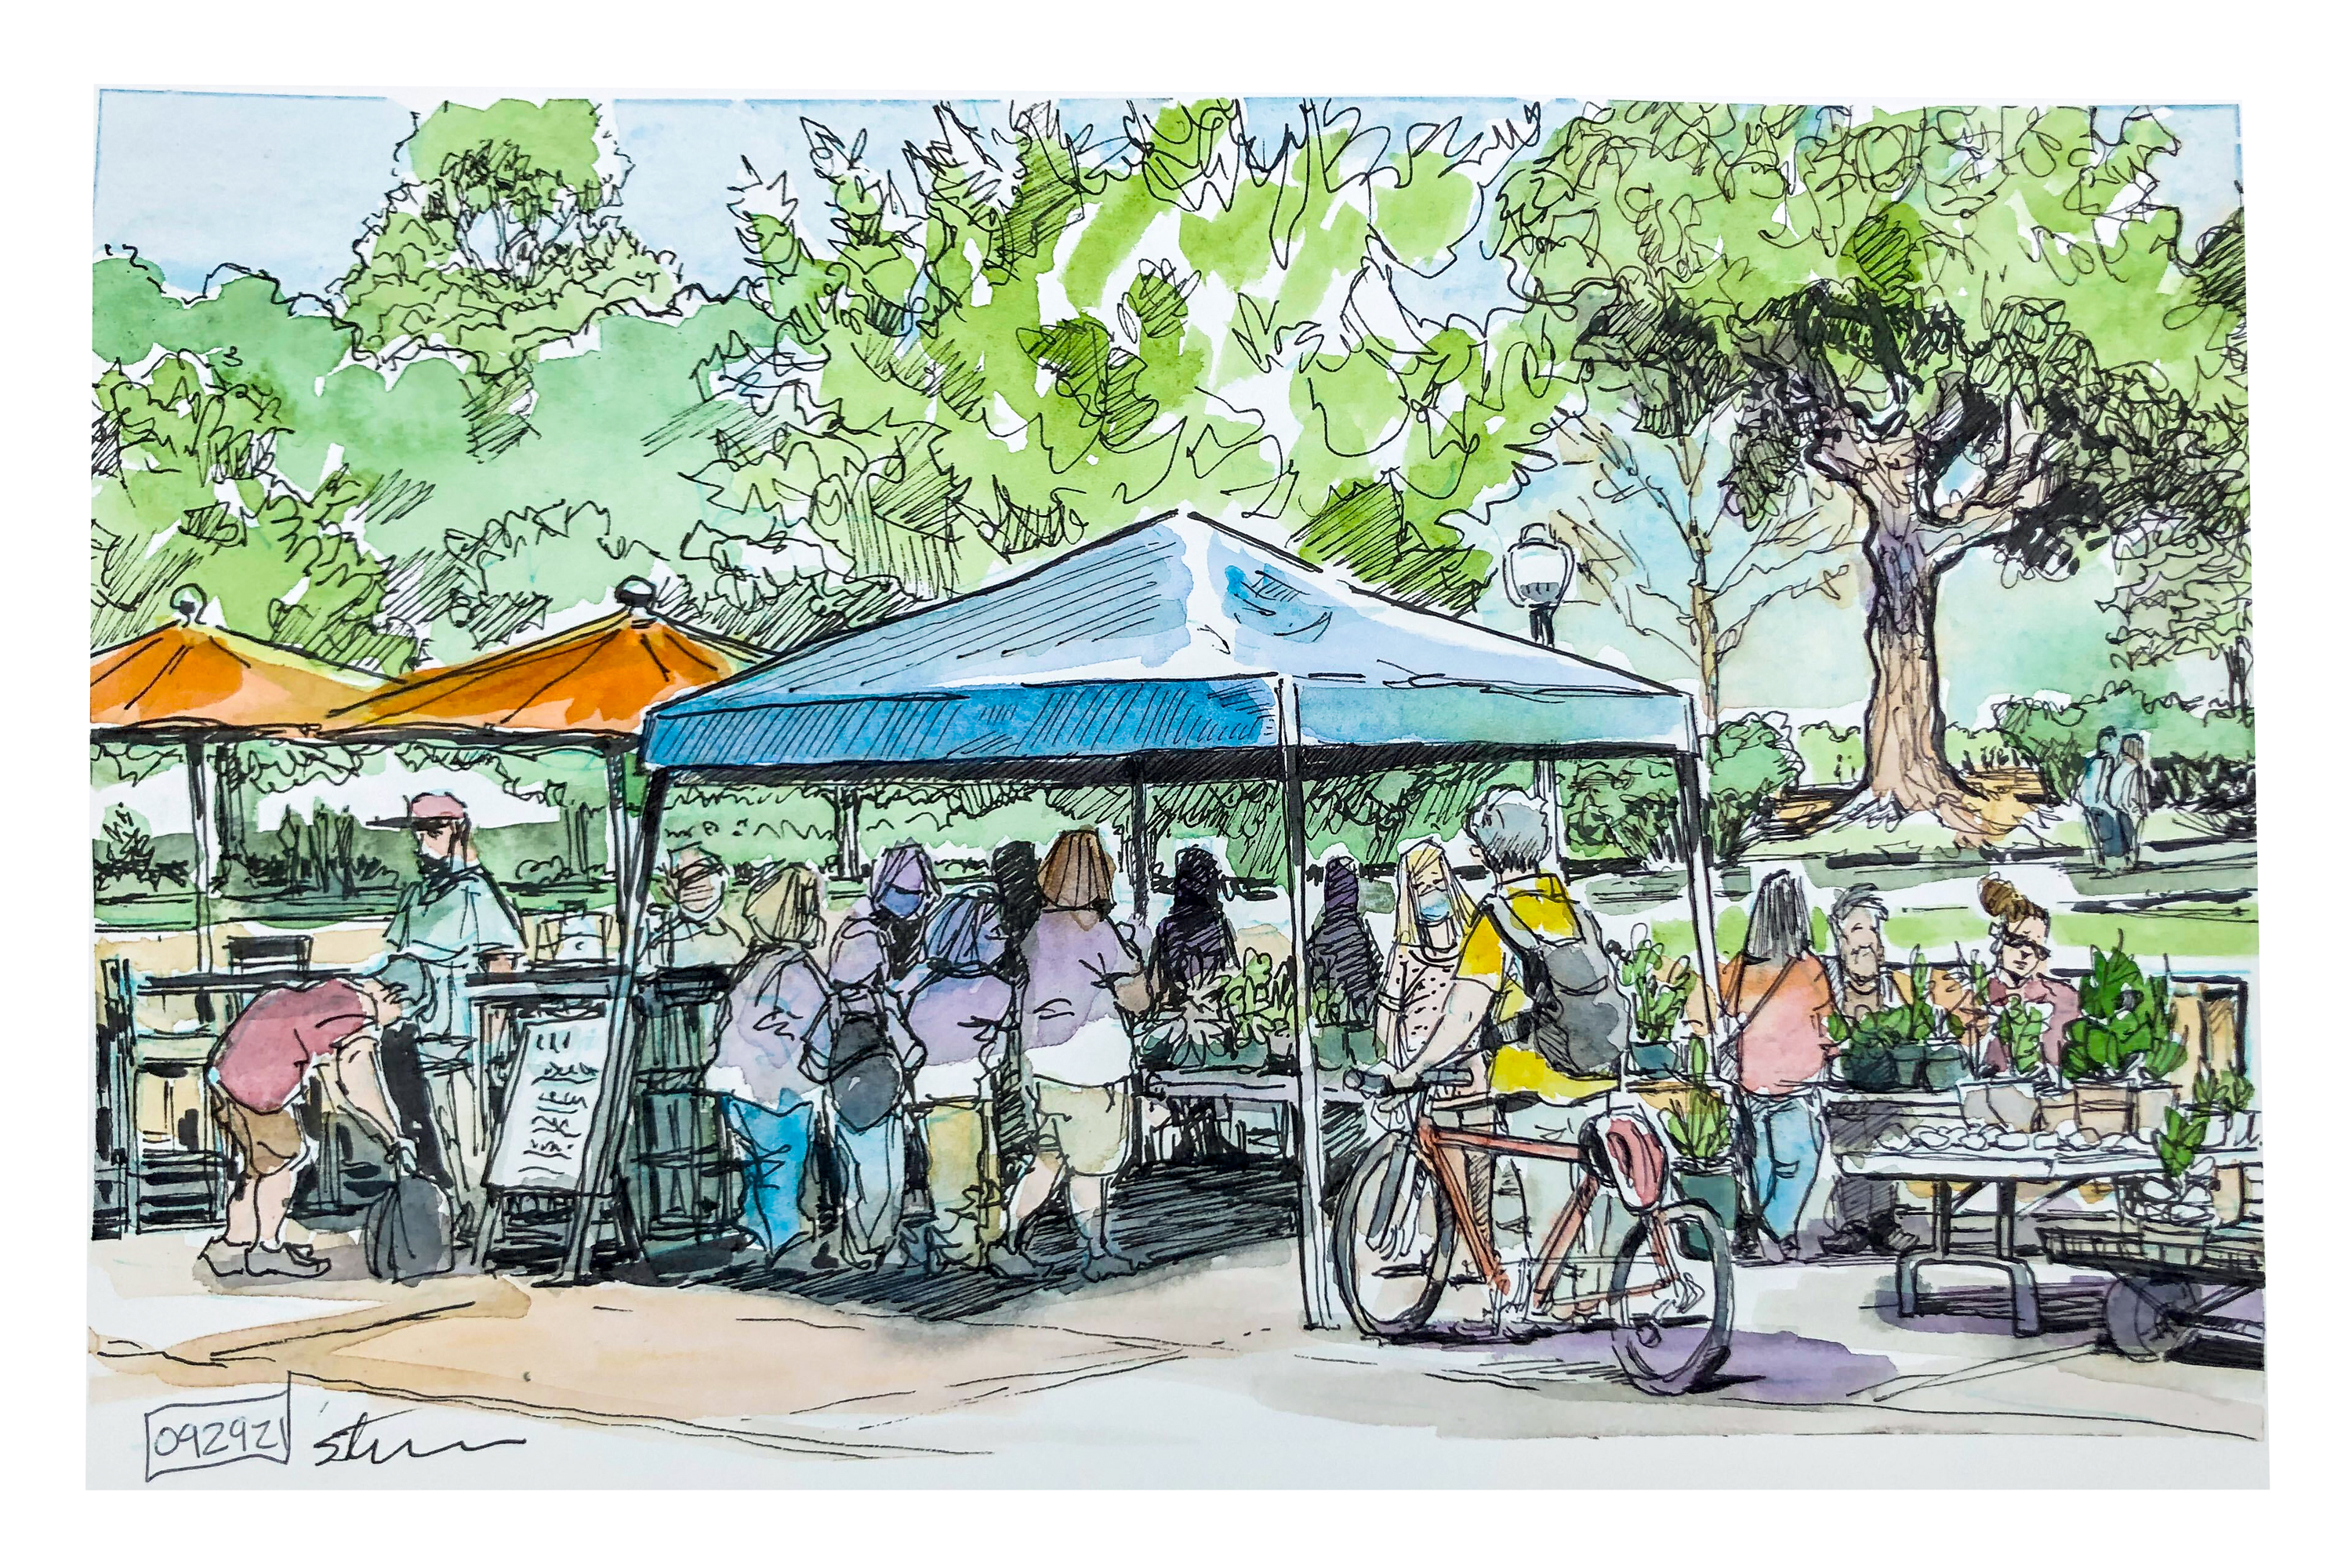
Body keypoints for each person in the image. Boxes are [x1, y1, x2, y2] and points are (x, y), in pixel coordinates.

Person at [1383, 789, 1624, 1327]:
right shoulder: (1573, 909)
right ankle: (1589, 1297)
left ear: (1488, 853)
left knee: (1542, 1201)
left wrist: (1416, 1067)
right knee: (1586, 1194)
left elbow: (1463, 1014)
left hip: (1531, 1077)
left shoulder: (1495, 919)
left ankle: (1535, 1308)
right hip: (1597, 1070)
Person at [201, 959, 427, 1279]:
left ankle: (231, 1246)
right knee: (285, 1161)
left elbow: (331, 1072)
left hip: (224, 1075)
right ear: (393, 996)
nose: (400, 1021)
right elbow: (360, 1085)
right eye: (405, 1010)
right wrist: (393, 1135)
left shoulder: (339, 989)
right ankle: (267, 1251)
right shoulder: (357, 1017)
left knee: (259, 1165)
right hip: (257, 1088)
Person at [997, 827, 1152, 1282]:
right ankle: (1097, 1250)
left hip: (1041, 1066)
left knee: (1047, 1161)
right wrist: (1139, 966)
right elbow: (1138, 998)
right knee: (1091, 1169)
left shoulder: (1034, 930)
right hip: (1092, 1066)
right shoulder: (1098, 931)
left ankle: (1007, 1237)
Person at [376, 793, 524, 1236]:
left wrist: (495, 1038)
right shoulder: (417, 894)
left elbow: (502, 963)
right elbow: (397, 958)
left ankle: (485, 1218)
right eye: (419, 833)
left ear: (459, 833)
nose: (424, 843)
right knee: (437, 1128)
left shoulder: (476, 891)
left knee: (472, 1129)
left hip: (469, 1033)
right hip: (424, 1030)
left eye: (434, 833)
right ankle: (462, 1209)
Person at [704, 864, 832, 1273]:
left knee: (759, 1164)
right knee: (782, 1162)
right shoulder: (797, 969)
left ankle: (759, 1234)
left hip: (736, 1080)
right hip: (778, 1084)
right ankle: (783, 1239)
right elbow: (808, 1025)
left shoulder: (754, 965)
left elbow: (730, 1022)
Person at [1706, 871, 1838, 1265]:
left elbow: (1725, 1009)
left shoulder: (1740, 968)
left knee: (1762, 1159)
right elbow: (1823, 1018)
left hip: (1751, 1080)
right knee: (1802, 1159)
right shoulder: (1809, 967)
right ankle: (1777, 1231)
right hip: (1795, 1081)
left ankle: (1767, 1231)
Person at [823, 843, 939, 1269]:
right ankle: (875, 1245)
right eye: (911, 892)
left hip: (853, 1061)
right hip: (870, 1060)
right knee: (879, 1160)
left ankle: (866, 1243)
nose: (920, 899)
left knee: (864, 1156)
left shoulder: (861, 930)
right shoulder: (867, 937)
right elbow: (876, 999)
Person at [1374, 839, 1493, 1237]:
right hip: (1422, 1081)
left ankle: (1483, 1255)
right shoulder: (1404, 954)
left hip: (1470, 1076)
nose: (1432, 895)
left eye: (1437, 883)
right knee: (1438, 1175)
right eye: (1421, 888)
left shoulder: (1472, 945)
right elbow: (1388, 1015)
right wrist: (1393, 1064)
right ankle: (1435, 1250)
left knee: (1480, 1176)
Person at [895, 888, 1018, 1268]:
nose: (1004, 940)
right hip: (963, 1091)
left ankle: (970, 1245)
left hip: (932, 1092)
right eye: (994, 933)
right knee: (969, 1175)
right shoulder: (992, 986)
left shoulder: (916, 979)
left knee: (961, 1173)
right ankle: (964, 1252)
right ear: (968, 937)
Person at [1818, 886, 1921, 1258]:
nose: (1862, 950)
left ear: (1881, 945)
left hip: (1886, 1087)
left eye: (1870, 938)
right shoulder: (1827, 985)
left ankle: (1883, 1222)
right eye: (1852, 940)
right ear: (1839, 941)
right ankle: (1855, 1224)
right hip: (1842, 1084)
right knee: (1850, 1145)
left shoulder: (1894, 988)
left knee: (1885, 1138)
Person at [1967, 877, 2082, 1076]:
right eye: (2017, 942)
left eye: (2036, 947)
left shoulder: (2061, 997)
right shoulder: (1983, 995)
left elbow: (2059, 1058)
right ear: (1999, 944)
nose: (2026, 954)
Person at [1306, 853, 1383, 1071]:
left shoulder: (1321, 932)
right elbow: (1373, 963)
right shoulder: (1358, 929)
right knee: (1363, 1059)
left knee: (1335, 1061)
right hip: (1361, 1005)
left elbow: (1316, 967)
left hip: (1333, 1007)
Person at [1146, 845, 1240, 1011]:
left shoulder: (1166, 927)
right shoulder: (1219, 924)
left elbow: (1154, 982)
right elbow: (1232, 972)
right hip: (1212, 1008)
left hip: (1178, 1008)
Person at [647, 844, 752, 971]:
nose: (692, 888)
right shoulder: (662, 935)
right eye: (684, 881)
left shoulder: (727, 937)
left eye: (699, 880)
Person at [1824, 886, 1914, 1021]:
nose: (1868, 940)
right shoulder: (1825, 987)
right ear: (1840, 940)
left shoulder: (1900, 989)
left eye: (1873, 930)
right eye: (1857, 929)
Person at [2078, 728, 2126, 870]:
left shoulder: (2093, 761)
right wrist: (2107, 805)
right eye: (2110, 741)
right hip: (2100, 805)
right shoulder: (2107, 761)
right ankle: (2114, 863)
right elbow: (2100, 786)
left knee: (2104, 834)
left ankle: (2107, 862)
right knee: (2112, 831)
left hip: (2092, 805)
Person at [2112, 733, 2153, 871]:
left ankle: (2130, 861)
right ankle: (2133, 862)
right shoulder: (2135, 770)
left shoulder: (2120, 769)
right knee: (2134, 837)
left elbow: (2114, 791)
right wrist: (2138, 808)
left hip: (2121, 808)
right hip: (2133, 809)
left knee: (2128, 837)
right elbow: (2133, 791)